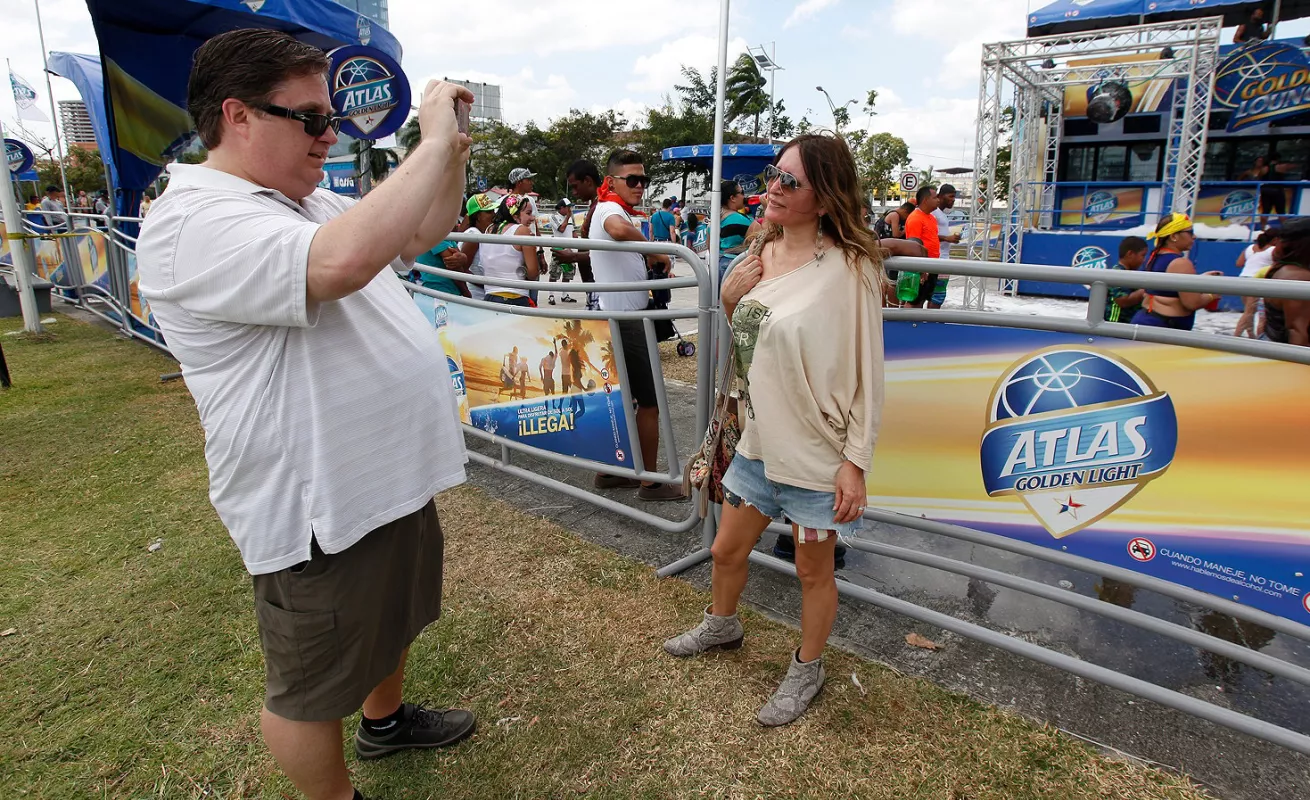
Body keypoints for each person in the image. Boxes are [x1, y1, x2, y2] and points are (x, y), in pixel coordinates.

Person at [134, 29, 476, 800]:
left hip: (382, 473)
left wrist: (448, 155)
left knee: (390, 619)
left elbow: (420, 231)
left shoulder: (301, 197)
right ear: (238, 116)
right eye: (311, 118)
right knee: (309, 687)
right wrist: (425, 139)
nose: (330, 135)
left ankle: (384, 722)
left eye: (330, 118)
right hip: (316, 500)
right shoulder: (195, 219)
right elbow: (339, 264)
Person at [663, 133, 886, 727]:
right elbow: (744, 358)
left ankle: (807, 668)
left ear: (824, 196)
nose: (774, 188)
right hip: (757, 446)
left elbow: (869, 372)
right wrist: (732, 304)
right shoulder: (756, 255)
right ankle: (722, 625)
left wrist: (855, 462)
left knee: (813, 572)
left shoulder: (852, 269)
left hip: (817, 457)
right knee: (725, 547)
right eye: (773, 175)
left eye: (791, 181)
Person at [588, 149, 683, 501]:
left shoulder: (610, 207)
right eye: (633, 180)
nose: (640, 186)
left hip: (619, 316)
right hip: (626, 321)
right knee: (649, 402)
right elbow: (615, 229)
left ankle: (612, 472)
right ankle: (650, 482)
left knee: (623, 400)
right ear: (611, 181)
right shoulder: (610, 209)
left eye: (643, 179)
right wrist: (657, 249)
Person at [1129, 213, 1223, 331]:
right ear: (1174, 236)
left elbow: (1166, 288)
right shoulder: (1180, 263)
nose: (1194, 236)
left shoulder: (1154, 257)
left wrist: (1200, 279)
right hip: (1162, 329)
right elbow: (1192, 303)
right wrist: (1212, 295)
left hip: (1148, 322)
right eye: (1190, 232)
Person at [479, 194, 540, 307]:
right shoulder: (522, 231)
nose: (532, 218)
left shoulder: (489, 229)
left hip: (490, 296)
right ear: (515, 215)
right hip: (515, 297)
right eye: (528, 213)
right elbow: (533, 273)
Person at [1261, 219, 1310, 345]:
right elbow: (1298, 331)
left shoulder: (1283, 269)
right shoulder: (1299, 277)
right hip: (1285, 355)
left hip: (1273, 347)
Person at [564, 159, 602, 309]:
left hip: (599, 286)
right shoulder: (597, 205)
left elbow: (605, 251)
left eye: (575, 186)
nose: (574, 192)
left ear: (587, 181)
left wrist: (573, 256)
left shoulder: (602, 207)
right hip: (594, 285)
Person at [1235, 229, 1279, 337]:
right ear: (1275, 239)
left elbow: (1239, 263)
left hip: (1243, 278)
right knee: (1253, 313)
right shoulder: (1273, 250)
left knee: (1249, 311)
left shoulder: (1250, 248)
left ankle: (1251, 335)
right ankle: (1236, 336)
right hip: (1256, 281)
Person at [903, 186, 941, 308]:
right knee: (913, 300)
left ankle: (915, 325)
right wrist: (921, 269)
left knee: (923, 298)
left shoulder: (931, 218)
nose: (938, 200)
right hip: (921, 267)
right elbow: (913, 245)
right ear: (925, 200)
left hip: (932, 265)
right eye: (935, 197)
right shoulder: (915, 218)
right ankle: (906, 325)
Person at [459, 192, 500, 301]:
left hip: (483, 292)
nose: (493, 215)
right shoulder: (474, 234)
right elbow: (462, 269)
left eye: (493, 211)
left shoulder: (482, 234)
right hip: (476, 295)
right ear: (477, 216)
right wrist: (488, 284)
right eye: (488, 212)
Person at [929, 184, 962, 309]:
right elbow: (927, 235)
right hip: (937, 259)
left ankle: (931, 321)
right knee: (936, 295)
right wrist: (947, 238)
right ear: (941, 196)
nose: (953, 199)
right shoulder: (933, 213)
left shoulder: (941, 214)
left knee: (939, 295)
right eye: (951, 196)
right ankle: (930, 323)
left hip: (942, 258)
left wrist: (950, 239)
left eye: (954, 197)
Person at [1105, 236, 1149, 323]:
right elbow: (1122, 300)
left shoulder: (1130, 272)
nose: (1144, 260)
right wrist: (1148, 289)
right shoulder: (1117, 273)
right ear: (1130, 254)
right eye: (1142, 255)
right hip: (1115, 325)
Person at [546, 199, 578, 305]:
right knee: (554, 273)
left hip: (569, 249)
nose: (570, 209)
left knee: (567, 274)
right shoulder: (554, 217)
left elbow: (573, 232)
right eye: (568, 207)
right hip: (558, 249)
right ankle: (551, 295)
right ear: (561, 208)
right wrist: (568, 217)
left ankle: (565, 295)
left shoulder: (569, 218)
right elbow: (561, 229)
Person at [718, 180, 752, 278]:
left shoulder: (714, 220)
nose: (744, 197)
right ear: (732, 198)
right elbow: (764, 236)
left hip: (719, 267)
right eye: (742, 193)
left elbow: (709, 247)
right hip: (736, 268)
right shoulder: (741, 219)